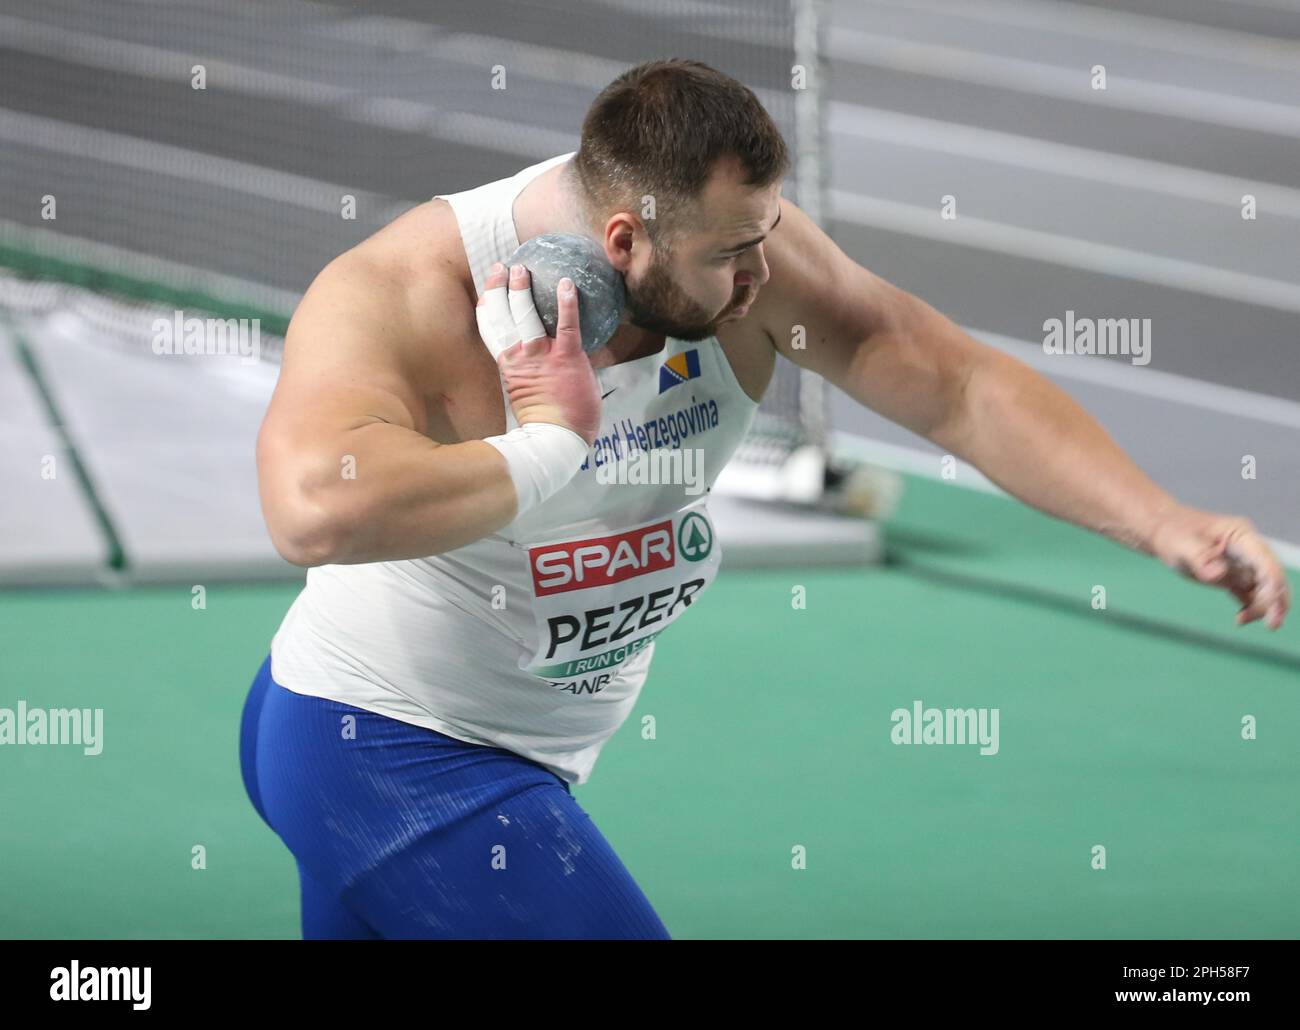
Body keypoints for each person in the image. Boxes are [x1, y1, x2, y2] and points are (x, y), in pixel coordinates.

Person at [240, 58, 1291, 940]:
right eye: (730, 257)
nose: (762, 279)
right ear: (623, 241)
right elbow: (313, 511)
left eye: (765, 236)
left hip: (516, 758)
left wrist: (1165, 521)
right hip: (384, 746)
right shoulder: (412, 292)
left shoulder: (738, 248)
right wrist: (554, 440)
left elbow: (955, 383)